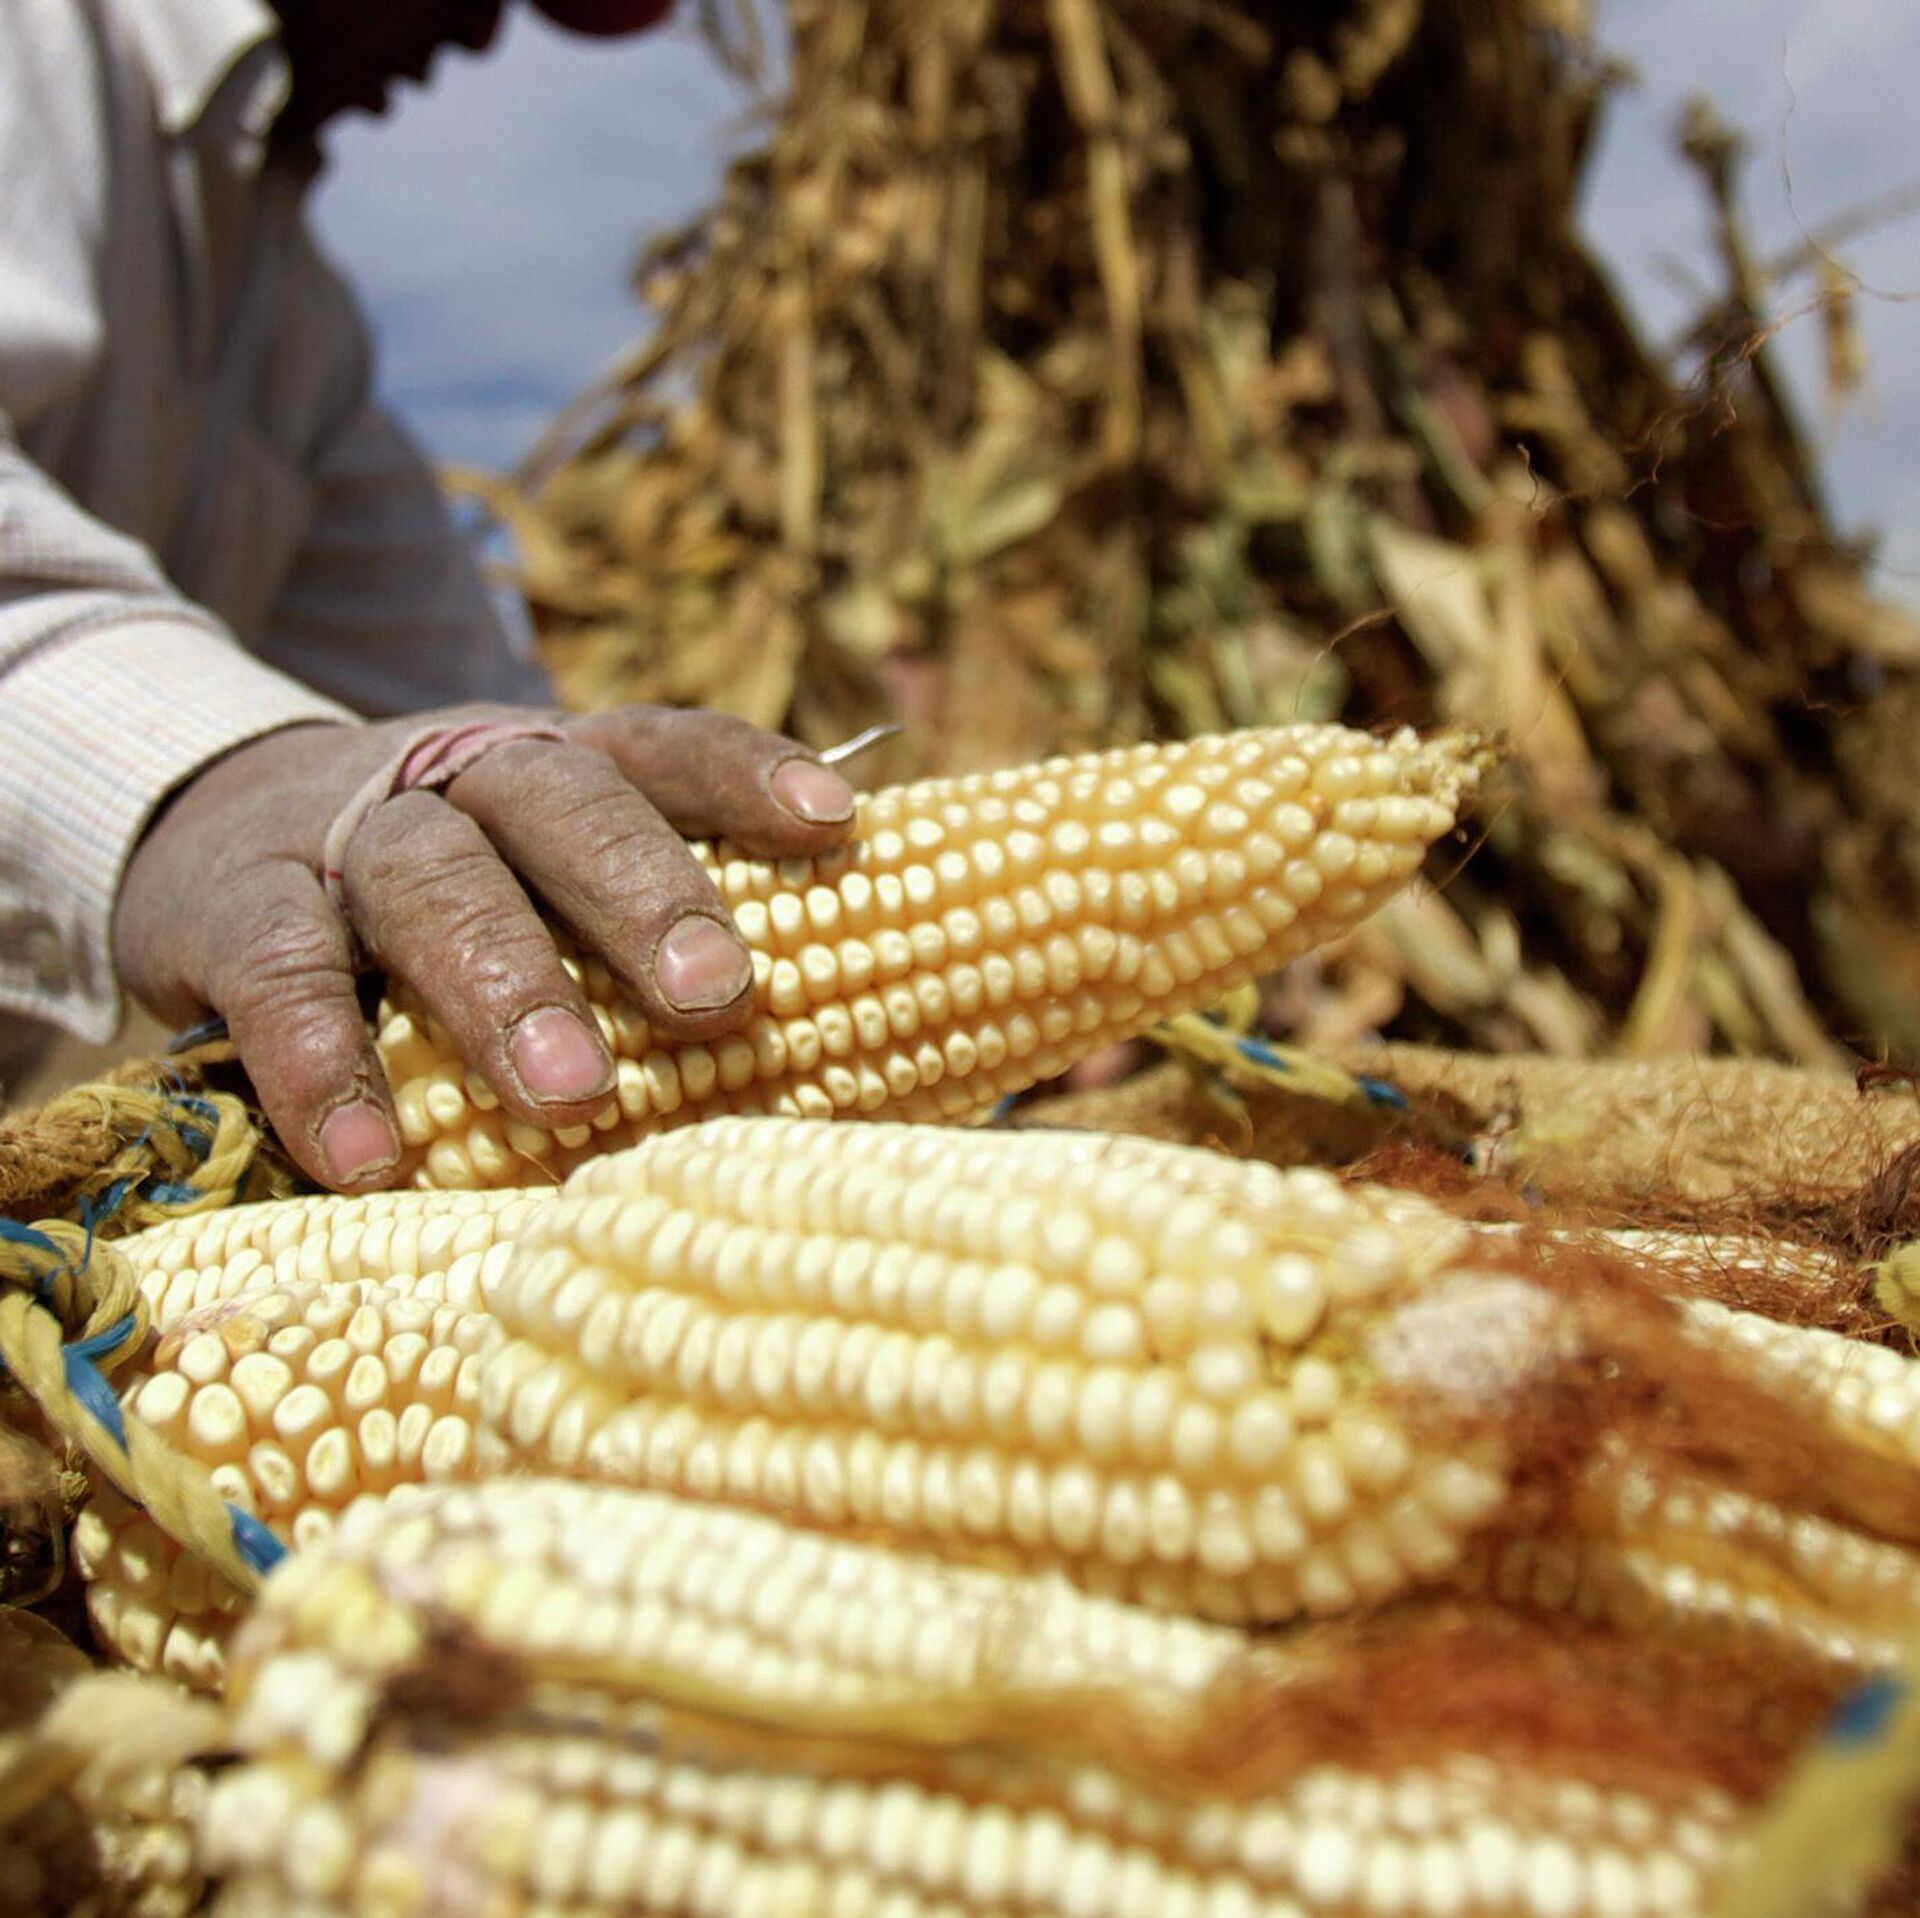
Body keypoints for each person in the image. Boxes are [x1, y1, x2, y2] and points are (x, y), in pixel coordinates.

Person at [0, 0, 857, 1192]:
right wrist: (200, 781)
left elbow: (459, 709)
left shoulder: (295, 332)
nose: (480, 41)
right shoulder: (34, 52)